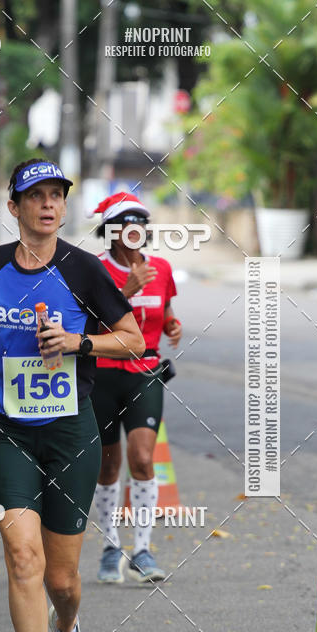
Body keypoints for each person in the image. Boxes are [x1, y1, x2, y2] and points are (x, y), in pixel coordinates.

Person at [0, 159, 145, 632]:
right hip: (8, 432)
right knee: (22, 558)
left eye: (56, 195)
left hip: (70, 433)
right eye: (35, 195)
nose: (47, 204)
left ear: (64, 207)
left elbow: (132, 338)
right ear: (13, 207)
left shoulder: (84, 270)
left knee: (62, 580)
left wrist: (77, 341)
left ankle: (68, 630)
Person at [90, 192, 182, 583]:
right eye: (126, 222)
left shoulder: (161, 268)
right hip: (102, 375)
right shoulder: (93, 271)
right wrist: (124, 291)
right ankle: (111, 548)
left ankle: (142, 550)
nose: (136, 229)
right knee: (108, 466)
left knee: (143, 458)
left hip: (145, 373)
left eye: (141, 222)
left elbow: (166, 314)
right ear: (110, 231)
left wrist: (173, 326)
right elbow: (85, 329)